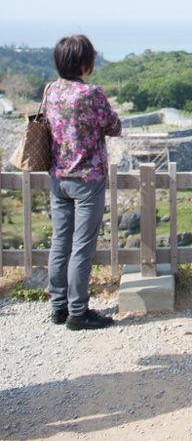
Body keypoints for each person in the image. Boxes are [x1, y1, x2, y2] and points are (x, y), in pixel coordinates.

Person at [45, 34, 121, 329]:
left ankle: (58, 307)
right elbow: (113, 125)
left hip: (58, 178)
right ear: (84, 62)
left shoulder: (51, 90)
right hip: (87, 178)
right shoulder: (90, 94)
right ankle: (78, 312)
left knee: (60, 242)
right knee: (82, 246)